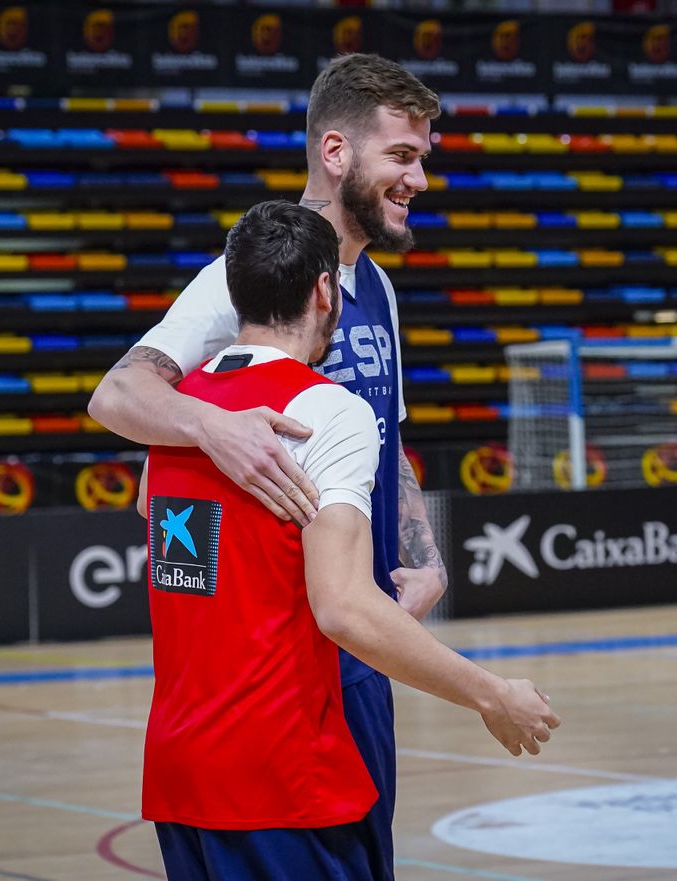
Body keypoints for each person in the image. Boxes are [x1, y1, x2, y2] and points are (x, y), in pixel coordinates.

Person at [87, 53, 446, 877]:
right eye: (403, 155)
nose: (419, 177)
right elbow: (118, 392)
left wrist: (422, 558)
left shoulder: (380, 291)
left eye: (422, 156)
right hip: (280, 663)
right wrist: (213, 428)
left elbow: (388, 443)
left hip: (362, 648)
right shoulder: (240, 276)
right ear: (335, 153)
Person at [141, 201, 558, 881]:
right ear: (325, 290)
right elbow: (343, 607)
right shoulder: (330, 409)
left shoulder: (174, 414)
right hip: (281, 777)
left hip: (179, 771)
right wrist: (491, 692)